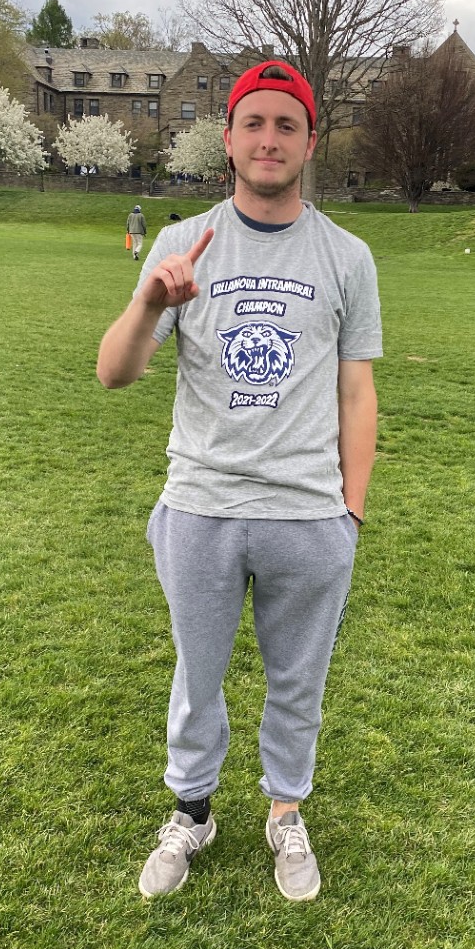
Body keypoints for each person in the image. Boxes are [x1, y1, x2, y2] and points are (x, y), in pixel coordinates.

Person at [97, 60, 382, 902]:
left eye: (285, 125)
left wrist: (350, 514)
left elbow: (357, 391)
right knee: (198, 672)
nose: (268, 139)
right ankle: (192, 810)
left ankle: (284, 811)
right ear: (227, 138)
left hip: (307, 516)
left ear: (308, 142)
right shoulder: (181, 243)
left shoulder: (347, 256)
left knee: (299, 679)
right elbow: (114, 374)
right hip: (201, 507)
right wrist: (150, 303)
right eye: (253, 123)